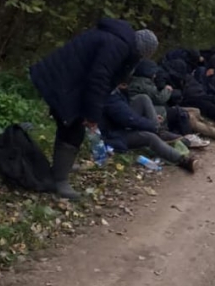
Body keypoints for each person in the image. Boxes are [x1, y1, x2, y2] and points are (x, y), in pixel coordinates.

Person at [30, 18, 159, 199]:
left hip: (67, 80)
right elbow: (99, 79)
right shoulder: (118, 46)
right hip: (61, 81)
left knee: (69, 123)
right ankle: (59, 180)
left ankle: (61, 168)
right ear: (141, 51)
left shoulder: (118, 39)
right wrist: (92, 115)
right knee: (73, 129)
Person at [100, 87, 198, 172]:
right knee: (150, 137)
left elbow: (127, 112)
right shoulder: (108, 95)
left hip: (120, 124)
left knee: (142, 98)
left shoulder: (114, 90)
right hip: (114, 134)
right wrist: (150, 125)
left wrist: (151, 120)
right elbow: (128, 119)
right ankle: (182, 160)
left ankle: (159, 131)